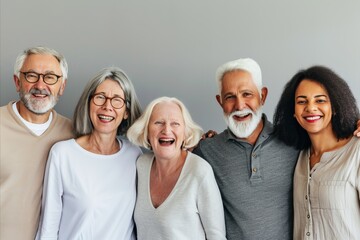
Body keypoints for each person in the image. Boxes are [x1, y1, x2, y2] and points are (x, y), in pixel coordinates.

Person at [192, 58, 301, 240]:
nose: (240, 105)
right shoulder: (206, 151)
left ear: (263, 96)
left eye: (247, 94)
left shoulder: (294, 141)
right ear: (220, 102)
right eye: (230, 97)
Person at [35, 67, 142, 240]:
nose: (107, 107)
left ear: (126, 112)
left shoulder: (134, 155)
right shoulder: (63, 154)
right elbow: (49, 225)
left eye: (117, 100)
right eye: (100, 98)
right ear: (89, 103)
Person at [273, 66, 360, 239]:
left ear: (335, 106)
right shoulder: (298, 156)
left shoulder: (356, 152)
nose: (310, 108)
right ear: (293, 112)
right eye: (302, 101)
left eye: (320, 100)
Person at [127, 97, 227, 240]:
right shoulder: (141, 165)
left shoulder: (200, 171)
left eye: (175, 124)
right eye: (158, 122)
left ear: (185, 133)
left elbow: (216, 236)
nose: (166, 130)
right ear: (147, 131)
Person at [0, 46, 73, 240]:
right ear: (17, 81)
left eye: (50, 77)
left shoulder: (73, 135)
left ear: (62, 86)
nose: (40, 85)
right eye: (31, 75)